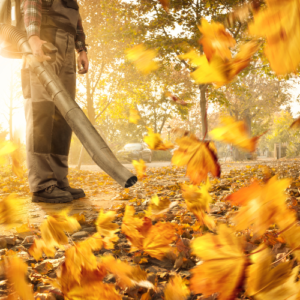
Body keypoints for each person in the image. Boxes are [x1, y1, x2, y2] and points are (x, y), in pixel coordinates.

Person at [21, 0, 89, 203]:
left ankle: (59, 180)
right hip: (44, 44)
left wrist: (81, 49)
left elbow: (76, 22)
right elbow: (31, 4)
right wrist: (33, 38)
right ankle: (42, 184)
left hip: (67, 46)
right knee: (41, 114)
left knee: (63, 117)